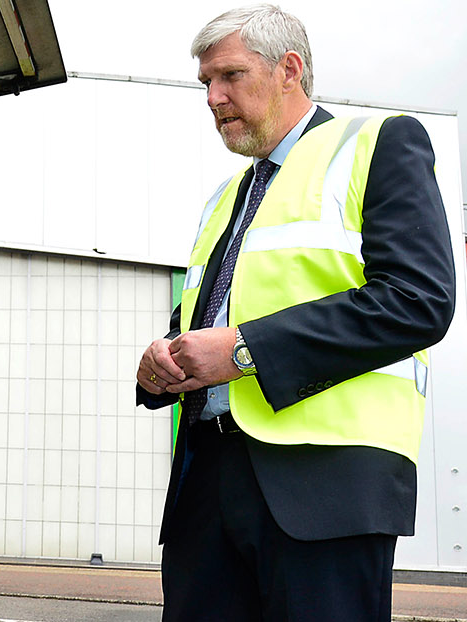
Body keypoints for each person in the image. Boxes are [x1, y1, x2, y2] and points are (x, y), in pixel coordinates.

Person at [135, 5, 455, 620]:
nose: (213, 97)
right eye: (205, 83)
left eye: (229, 76)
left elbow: (418, 300)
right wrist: (162, 361)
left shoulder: (375, 144)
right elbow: (208, 318)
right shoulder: (224, 197)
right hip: (206, 488)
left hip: (325, 487)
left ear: (289, 70)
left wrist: (244, 350)